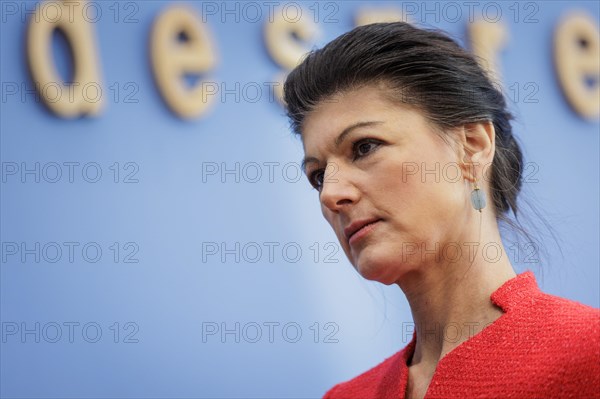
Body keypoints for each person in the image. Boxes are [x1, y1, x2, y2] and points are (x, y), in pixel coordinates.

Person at [283, 22, 600, 399]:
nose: (330, 195)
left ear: (472, 145)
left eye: (364, 147)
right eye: (318, 176)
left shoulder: (588, 353)